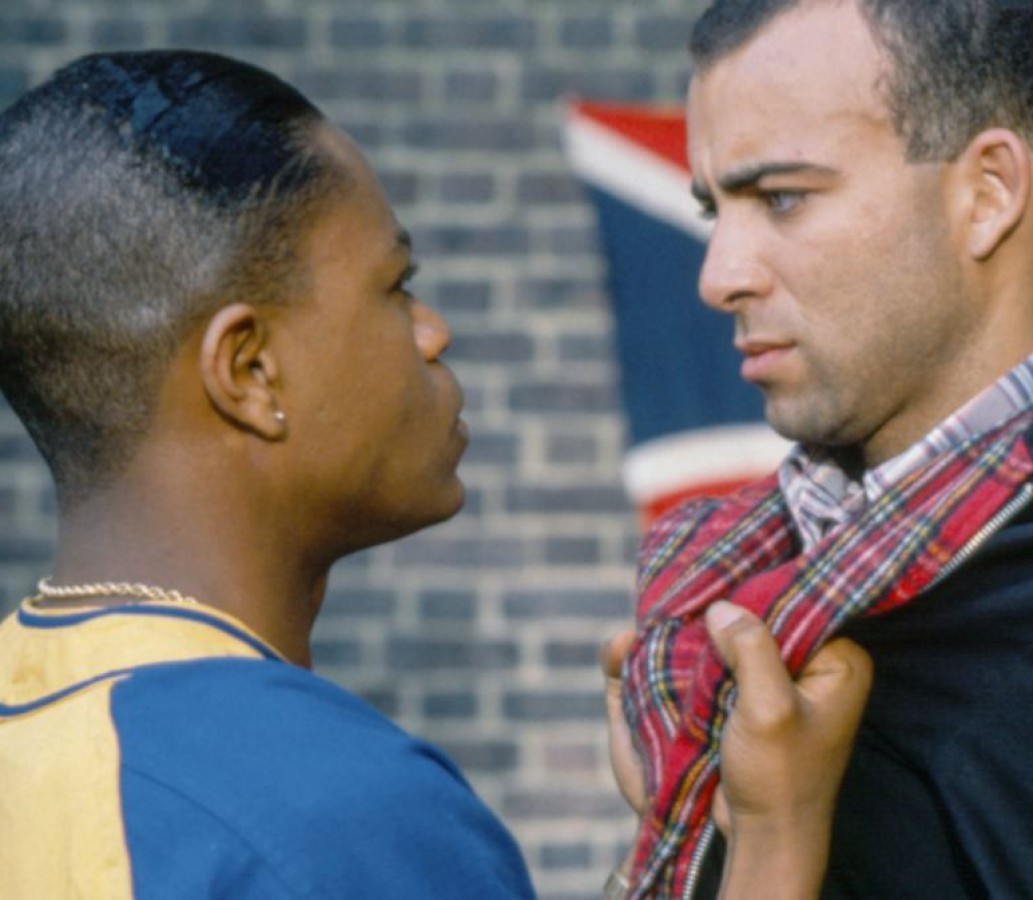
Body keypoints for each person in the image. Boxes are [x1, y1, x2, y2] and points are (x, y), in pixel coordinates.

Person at [0, 50, 872, 899]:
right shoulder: (326, 810)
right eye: (397, 286)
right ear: (249, 370)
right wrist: (772, 838)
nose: (432, 333)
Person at [606, 0, 1033, 898]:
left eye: (782, 198)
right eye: (713, 209)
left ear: (988, 194)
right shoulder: (720, 588)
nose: (719, 273)